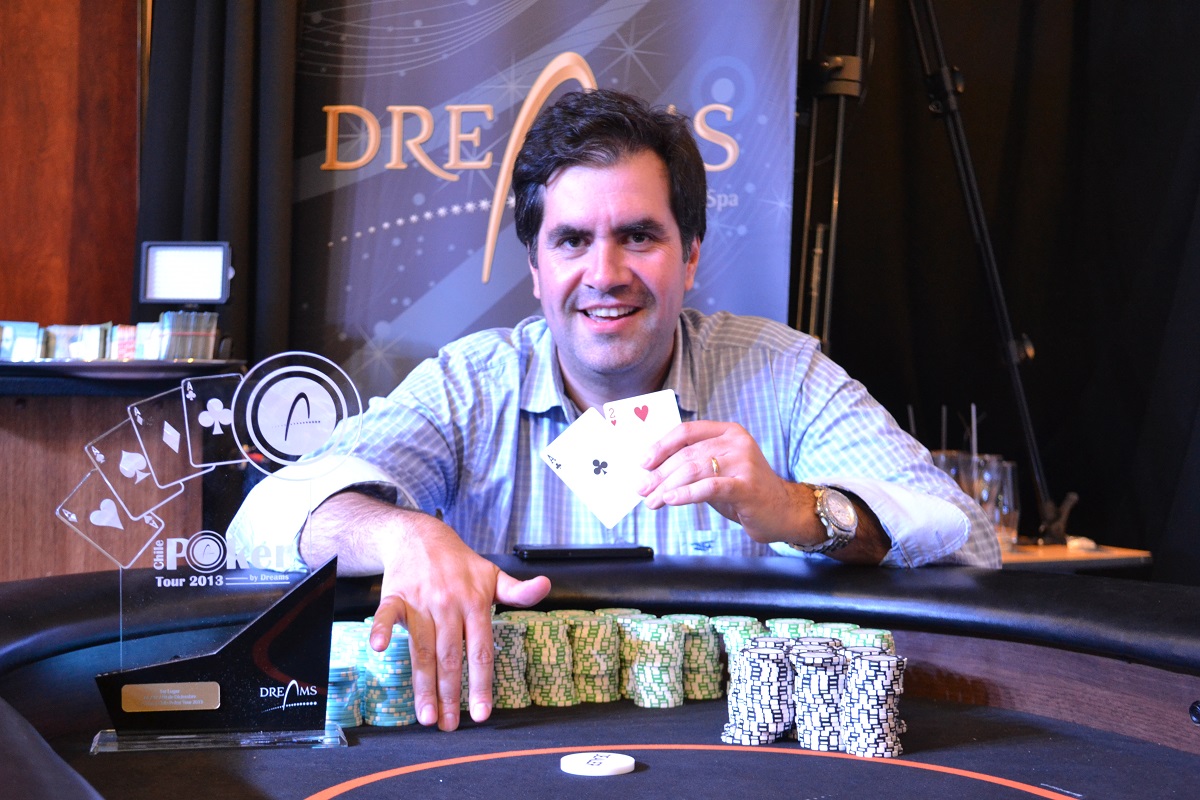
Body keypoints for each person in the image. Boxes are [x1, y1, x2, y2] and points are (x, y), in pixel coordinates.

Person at [228, 88, 1000, 733]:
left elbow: (969, 539)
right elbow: (260, 518)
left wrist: (802, 510)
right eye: (571, 241)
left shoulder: (783, 371)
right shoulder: (469, 385)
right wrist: (401, 533)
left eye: (638, 236)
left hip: (732, 762)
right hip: (506, 755)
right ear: (536, 269)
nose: (605, 273)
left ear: (690, 255)